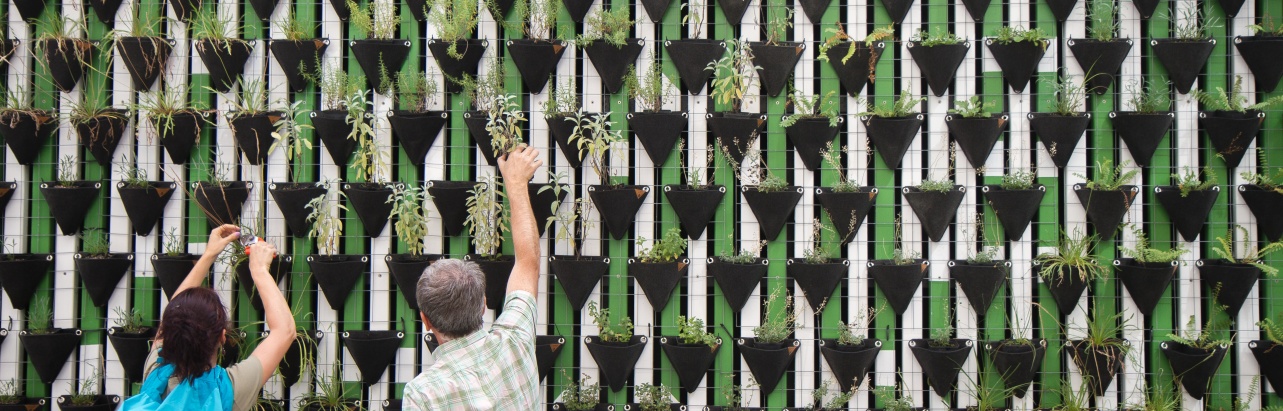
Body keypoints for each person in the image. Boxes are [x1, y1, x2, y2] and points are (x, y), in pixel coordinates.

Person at [403, 145, 544, 410]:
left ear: (426, 320)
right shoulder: (515, 340)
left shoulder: (423, 394)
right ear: (483, 304)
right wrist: (515, 183)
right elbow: (528, 263)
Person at [125, 225, 295, 411]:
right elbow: (285, 330)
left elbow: (173, 316)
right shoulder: (228, 392)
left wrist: (209, 254)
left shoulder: (156, 374)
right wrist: (259, 269)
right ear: (223, 336)